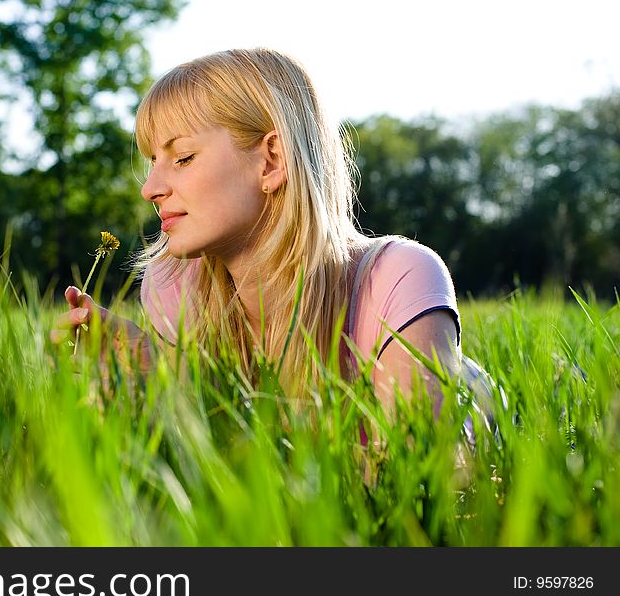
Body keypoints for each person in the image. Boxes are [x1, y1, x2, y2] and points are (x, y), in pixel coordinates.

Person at [52, 48, 479, 428]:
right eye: (152, 162)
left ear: (271, 160)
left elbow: (422, 487)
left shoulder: (398, 278)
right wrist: (153, 371)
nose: (150, 189)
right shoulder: (174, 285)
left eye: (182, 157)